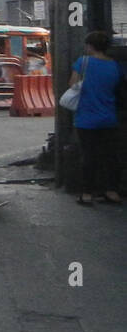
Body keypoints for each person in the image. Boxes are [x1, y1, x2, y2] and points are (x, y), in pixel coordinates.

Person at [70, 31, 124, 206]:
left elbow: (72, 84)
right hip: (109, 117)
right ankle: (112, 191)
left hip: (86, 118)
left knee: (89, 157)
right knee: (110, 157)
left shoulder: (83, 63)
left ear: (90, 46)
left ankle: (87, 194)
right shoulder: (115, 66)